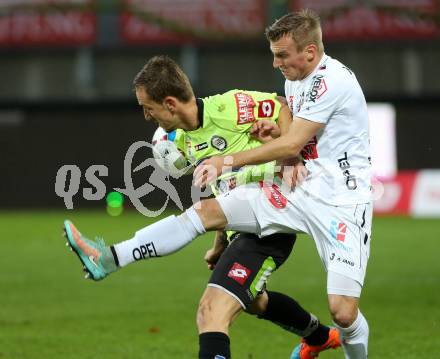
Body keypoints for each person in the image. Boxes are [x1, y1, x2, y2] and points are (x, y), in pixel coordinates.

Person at [63, 55, 340, 359]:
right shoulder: (185, 142)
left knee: (211, 312)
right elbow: (224, 195)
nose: (146, 116)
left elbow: (280, 105)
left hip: (272, 219)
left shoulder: (229, 107)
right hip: (244, 224)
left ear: (170, 104)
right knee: (254, 301)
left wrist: (290, 153)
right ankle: (319, 337)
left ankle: (110, 257)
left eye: (148, 108)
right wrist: (221, 241)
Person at [194, 9, 373, 359]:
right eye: (274, 55)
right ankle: (121, 255)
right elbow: (297, 140)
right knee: (213, 211)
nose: (276, 64)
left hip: (344, 199)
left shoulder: (331, 81)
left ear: (309, 52)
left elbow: (292, 147)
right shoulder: (295, 80)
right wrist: (276, 133)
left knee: (344, 312)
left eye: (282, 55)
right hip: (304, 189)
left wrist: (225, 162)